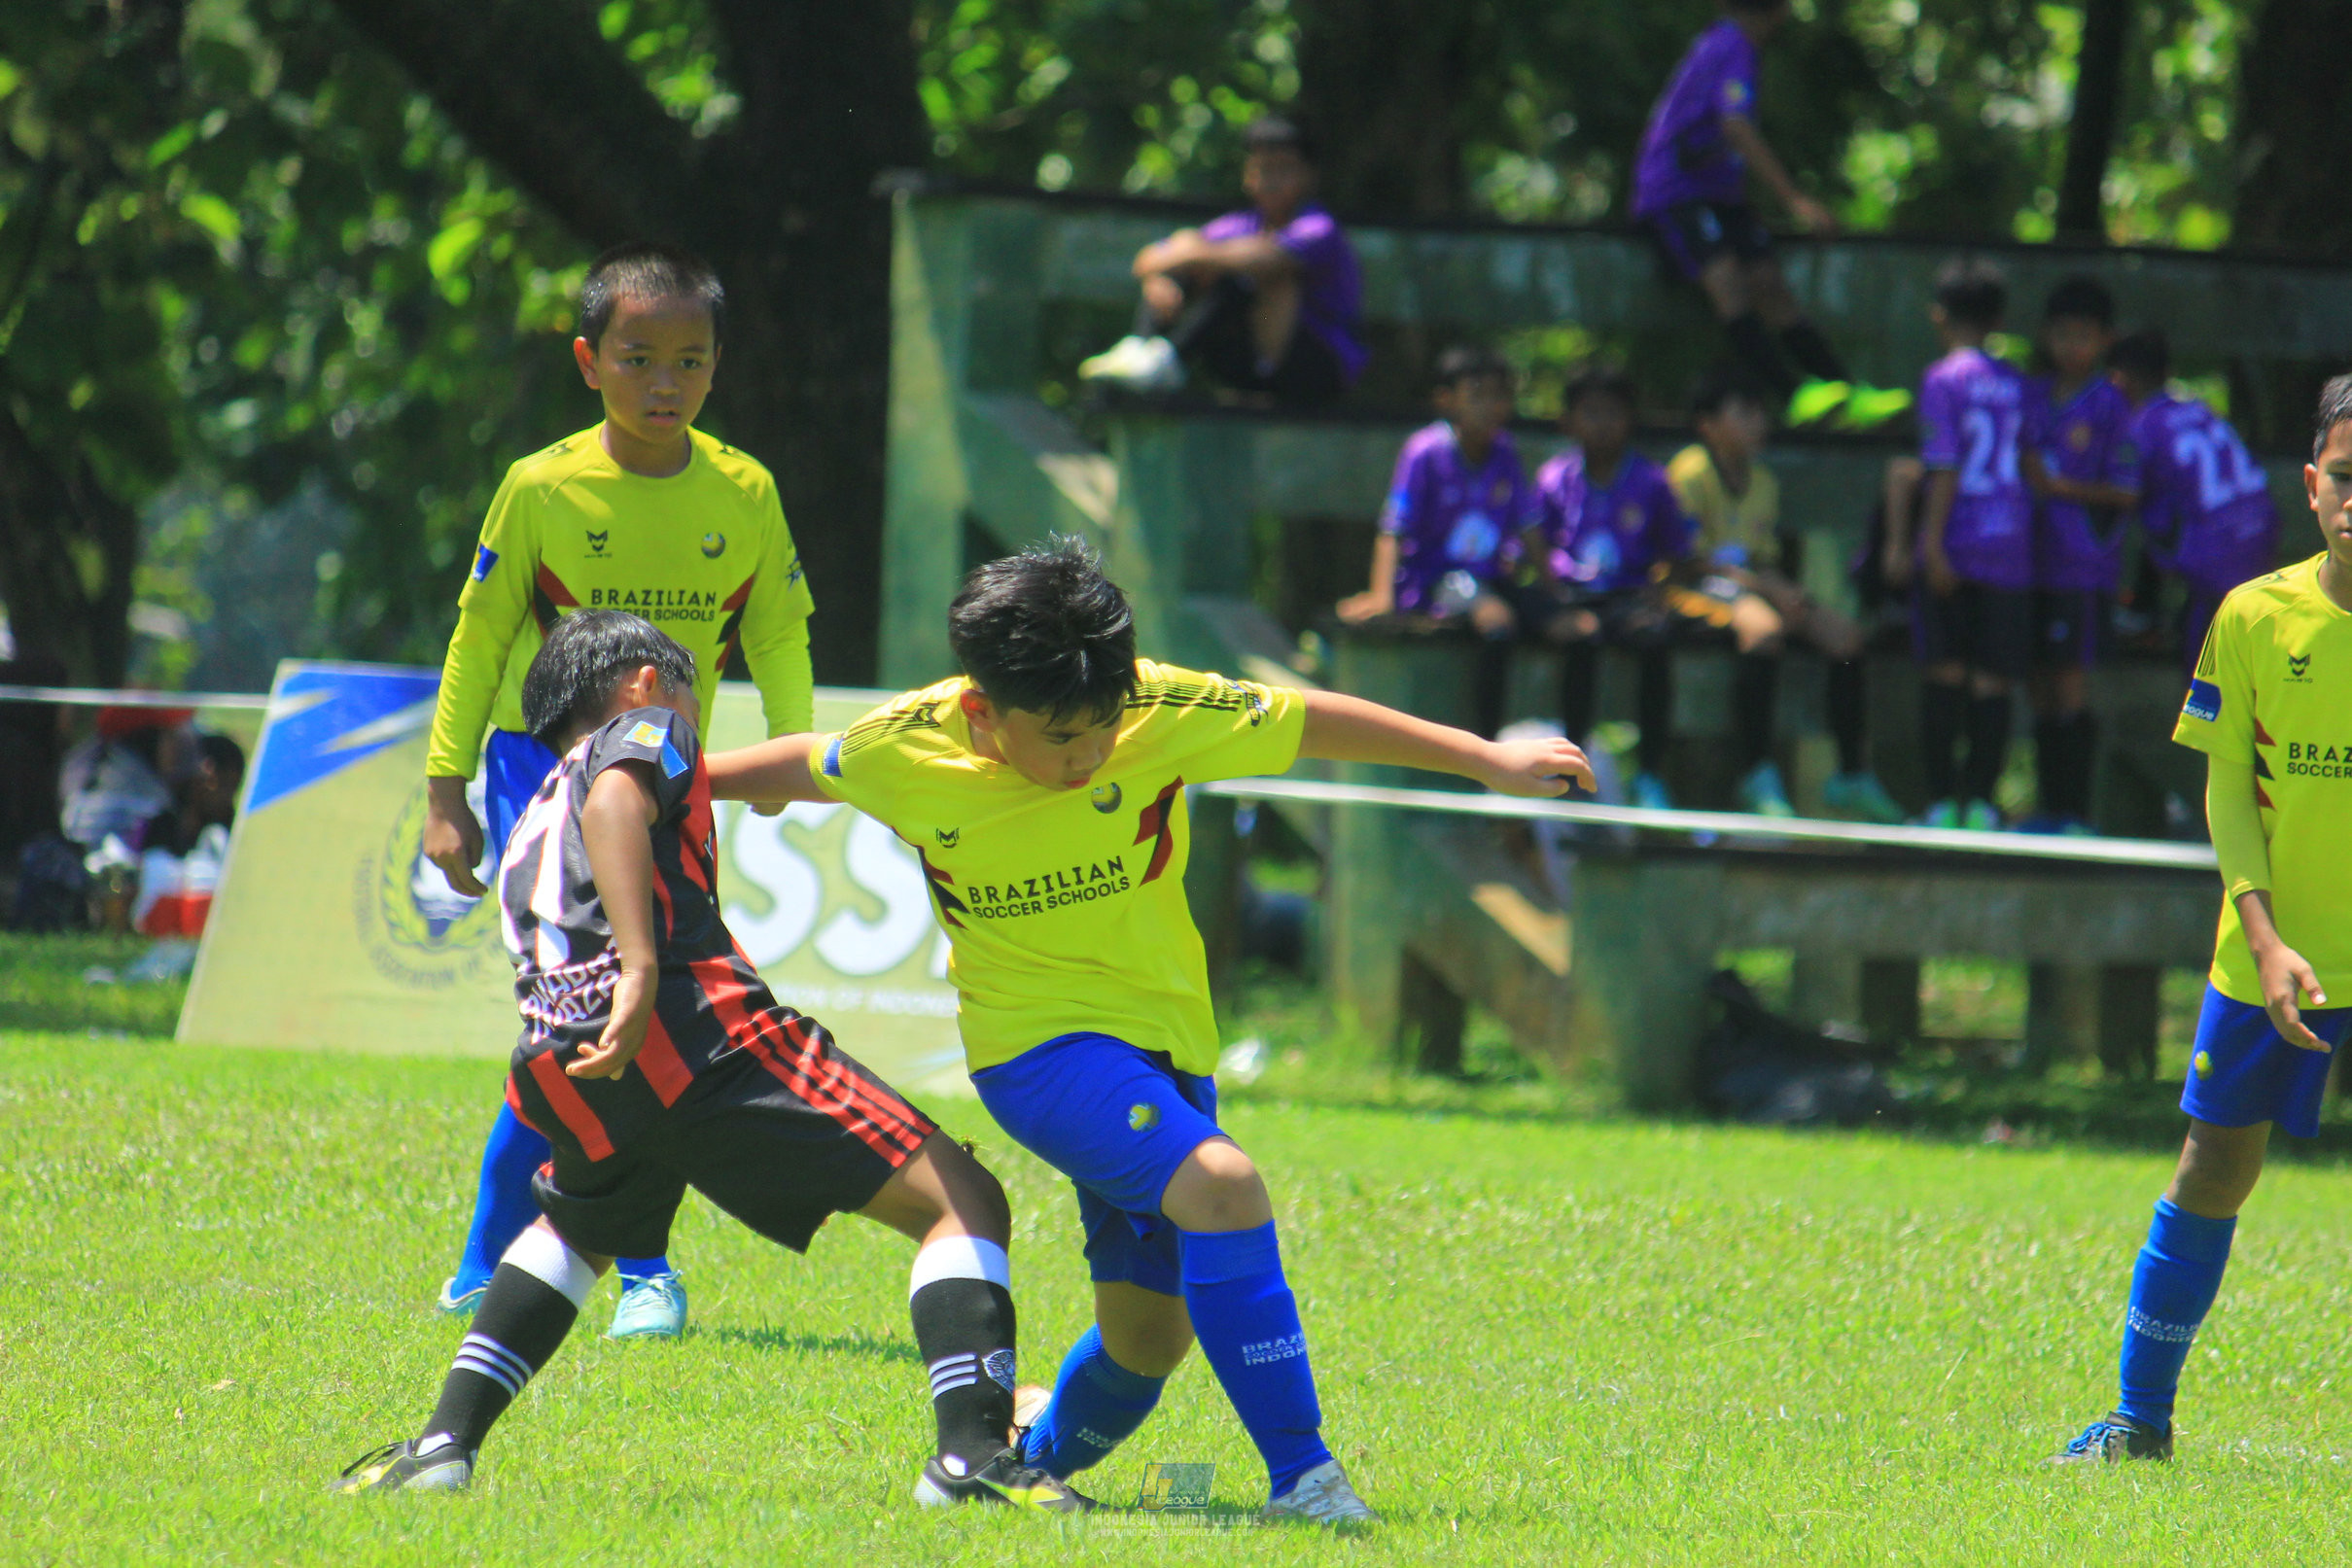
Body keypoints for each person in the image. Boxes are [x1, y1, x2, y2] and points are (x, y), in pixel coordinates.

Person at [703, 540, 1594, 1527]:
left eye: (1101, 730)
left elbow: (1308, 723)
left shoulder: (1159, 707)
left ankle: (1000, 1463)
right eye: (1063, 737)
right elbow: (811, 762)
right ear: (980, 712)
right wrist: (681, 777)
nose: (1089, 754)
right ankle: (1305, 1478)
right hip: (1033, 1051)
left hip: (1167, 1047)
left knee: (1144, 1340)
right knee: (1222, 1181)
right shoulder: (905, 747)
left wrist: (1481, 757)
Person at [333, 612, 1085, 1512]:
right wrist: (645, 967)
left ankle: (442, 1443)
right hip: (691, 1029)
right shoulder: (646, 728)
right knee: (964, 1197)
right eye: (696, 695)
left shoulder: (540, 799)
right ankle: (971, 1459)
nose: (696, 720)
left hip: (558, 1055)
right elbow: (621, 798)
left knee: (580, 1229)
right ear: (647, 681)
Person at [418, 242, 821, 1339]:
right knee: (595, 1010)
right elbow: (480, 633)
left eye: (689, 362)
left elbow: (778, 626)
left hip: (668, 781)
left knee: (617, 1014)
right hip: (539, 771)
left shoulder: (744, 490)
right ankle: (630, 1265)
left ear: (715, 369)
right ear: (590, 361)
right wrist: (444, 786)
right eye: (639, 358)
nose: (664, 384)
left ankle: (523, 1257)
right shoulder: (542, 487)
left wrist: (792, 747)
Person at [2052, 373, 2352, 1464]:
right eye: (2348, 478)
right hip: (2271, 963)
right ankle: (2140, 1419)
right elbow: (2229, 791)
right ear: (2312, 485)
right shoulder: (2254, 616)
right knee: (2214, 1169)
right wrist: (2265, 937)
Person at [1630, 0, 1908, 431]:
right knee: (1727, 281)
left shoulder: (1732, 45)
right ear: (1780, 12)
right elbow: (1735, 126)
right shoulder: (1730, 45)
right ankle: (1792, 395)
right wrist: (1794, 200)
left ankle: (1844, 390)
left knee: (1769, 282)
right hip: (1675, 192)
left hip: (1719, 192)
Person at [1668, 369, 1905, 822]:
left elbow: (1761, 557)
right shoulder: (1690, 473)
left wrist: (1789, 592)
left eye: (1760, 413)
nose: (1758, 423)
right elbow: (1690, 560)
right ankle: (1756, 772)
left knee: (1846, 638)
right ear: (1708, 424)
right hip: (1691, 584)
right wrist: (1765, 588)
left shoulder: (1764, 482)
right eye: (1743, 413)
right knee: (1762, 631)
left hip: (1749, 584)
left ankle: (1851, 775)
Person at [1523, 366, 1733, 813]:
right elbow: (1533, 541)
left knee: (1656, 639)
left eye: (1613, 413)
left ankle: (1651, 772)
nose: (1602, 423)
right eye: (1591, 412)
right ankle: (1572, 761)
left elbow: (1676, 550)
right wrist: (1552, 593)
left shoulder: (1652, 481)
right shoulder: (1553, 478)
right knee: (1580, 637)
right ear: (1570, 421)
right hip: (1572, 595)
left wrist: (1658, 595)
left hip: (1627, 596)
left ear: (1630, 419)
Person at [1886, 259, 2035, 831]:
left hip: (1959, 542)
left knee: (1945, 672)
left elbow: (1943, 466)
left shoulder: (1943, 379)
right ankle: (1982, 804)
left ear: (1937, 315)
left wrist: (1933, 546)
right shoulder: (2018, 381)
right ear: (1997, 318)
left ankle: (1942, 802)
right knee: (1994, 679)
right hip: (2011, 548)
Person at [1079, 117, 1365, 406]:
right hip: (1247, 355)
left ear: (1308, 176)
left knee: (1246, 276)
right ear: (1248, 175)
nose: (1271, 181)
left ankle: (1168, 358)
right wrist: (1160, 278)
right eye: (1263, 169)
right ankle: (1143, 350)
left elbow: (1267, 258)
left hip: (1315, 366)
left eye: (1284, 169)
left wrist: (1189, 251)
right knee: (1190, 269)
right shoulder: (1240, 224)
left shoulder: (1318, 227)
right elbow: (1147, 260)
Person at [1336, 345, 1531, 738]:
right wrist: (1381, 597)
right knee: (1494, 621)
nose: (1490, 406)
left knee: (1559, 619)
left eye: (1499, 395)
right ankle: (1488, 746)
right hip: (1435, 580)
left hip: (1490, 577)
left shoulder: (1505, 452)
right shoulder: (1424, 452)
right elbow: (1394, 529)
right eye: (1478, 394)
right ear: (1447, 399)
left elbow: (1525, 527)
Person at [2020, 277, 2139, 835]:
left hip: (2080, 567)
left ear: (2104, 340)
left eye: (2083, 336)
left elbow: (2127, 491)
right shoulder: (2032, 395)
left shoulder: (2111, 404)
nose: (2071, 346)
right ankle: (2047, 809)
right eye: (2062, 335)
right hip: (2028, 563)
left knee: (2070, 684)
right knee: (2040, 685)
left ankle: (2075, 815)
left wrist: (2057, 488)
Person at [2110, 330, 2281, 674]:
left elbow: (2124, 499)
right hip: (2261, 528)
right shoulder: (2199, 408)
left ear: (2120, 377)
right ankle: (2146, 612)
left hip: (2215, 550)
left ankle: (2143, 615)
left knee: (2208, 664)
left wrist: (2057, 486)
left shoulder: (2142, 425)